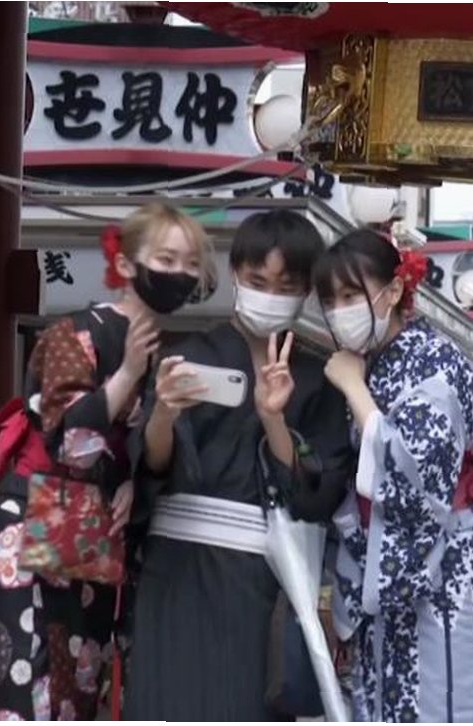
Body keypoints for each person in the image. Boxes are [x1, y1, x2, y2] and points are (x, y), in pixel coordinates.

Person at [0, 203, 214, 720]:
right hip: (38, 511)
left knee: (81, 676)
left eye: (191, 264)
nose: (180, 273)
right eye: (166, 259)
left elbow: (143, 455)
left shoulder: (157, 352)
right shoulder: (75, 332)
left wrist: (132, 483)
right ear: (126, 264)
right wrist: (126, 373)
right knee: (27, 675)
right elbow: (68, 439)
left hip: (92, 524)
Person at [124, 211, 354, 720]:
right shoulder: (189, 354)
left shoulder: (317, 379)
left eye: (286, 287)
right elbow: (152, 468)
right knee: (168, 701)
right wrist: (164, 412)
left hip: (261, 575)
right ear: (235, 275)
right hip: (176, 570)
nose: (270, 295)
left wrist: (273, 418)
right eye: (258, 282)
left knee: (245, 699)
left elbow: (316, 494)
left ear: (305, 293)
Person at [318, 229, 473, 722]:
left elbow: (416, 476)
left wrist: (355, 389)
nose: (339, 311)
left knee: (434, 700)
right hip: (379, 568)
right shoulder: (371, 363)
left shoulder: (436, 361)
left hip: (440, 568)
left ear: (393, 290)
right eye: (329, 300)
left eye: (350, 295)